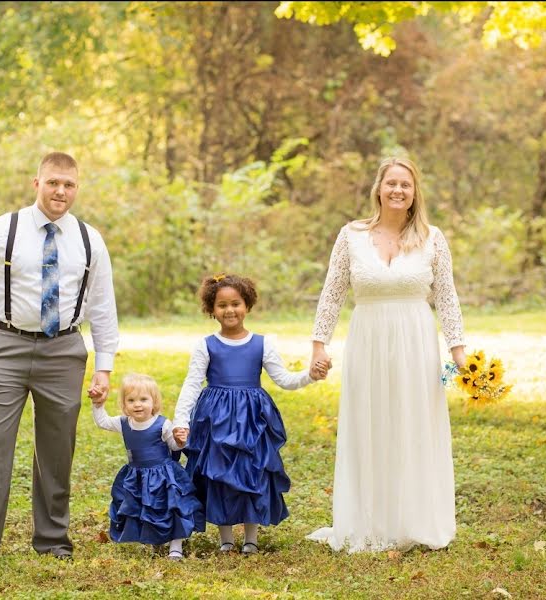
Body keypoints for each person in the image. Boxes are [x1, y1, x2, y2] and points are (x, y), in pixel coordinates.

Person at [0, 151, 118, 562]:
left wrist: (104, 367)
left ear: (76, 188)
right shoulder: (1, 230)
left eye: (68, 185)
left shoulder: (89, 239)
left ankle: (51, 540)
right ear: (37, 184)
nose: (60, 191)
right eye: (53, 183)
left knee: (57, 448)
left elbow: (103, 308)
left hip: (63, 350)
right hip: (5, 348)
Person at [306, 156, 466, 553]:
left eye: (405, 185)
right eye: (391, 183)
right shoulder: (351, 236)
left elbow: (447, 299)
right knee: (371, 422)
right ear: (379, 188)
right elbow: (332, 292)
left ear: (415, 194)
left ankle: (414, 520)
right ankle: (370, 519)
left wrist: (461, 354)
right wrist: (318, 346)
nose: (398, 190)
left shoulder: (433, 238)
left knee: (414, 424)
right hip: (368, 341)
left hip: (416, 342)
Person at [173, 274, 328, 555]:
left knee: (252, 474)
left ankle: (251, 539)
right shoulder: (205, 345)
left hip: (252, 420)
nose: (230, 310)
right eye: (222, 305)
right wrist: (181, 422)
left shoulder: (262, 343)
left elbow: (282, 378)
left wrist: (310, 375)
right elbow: (192, 384)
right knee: (219, 475)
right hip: (216, 420)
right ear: (212, 309)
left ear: (247, 305)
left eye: (236, 303)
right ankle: (226, 539)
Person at [91, 373, 204, 561]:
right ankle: (155, 539)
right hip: (138, 476)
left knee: (171, 508)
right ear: (124, 404)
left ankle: (176, 545)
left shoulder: (162, 424)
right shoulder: (124, 423)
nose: (137, 404)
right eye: (131, 400)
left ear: (154, 402)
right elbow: (102, 422)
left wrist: (180, 440)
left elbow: (174, 447)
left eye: (143, 399)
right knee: (146, 509)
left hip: (164, 476)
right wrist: (97, 404)